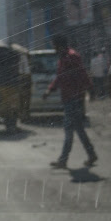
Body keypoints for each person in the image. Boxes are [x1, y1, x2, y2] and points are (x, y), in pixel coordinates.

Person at [43, 36, 97, 169]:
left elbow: (82, 73)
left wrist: (90, 89)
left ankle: (63, 160)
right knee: (78, 128)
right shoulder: (63, 58)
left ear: (60, 45)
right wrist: (50, 90)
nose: (54, 49)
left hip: (74, 98)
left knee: (69, 129)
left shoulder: (71, 56)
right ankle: (91, 154)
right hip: (69, 98)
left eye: (54, 46)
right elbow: (60, 78)